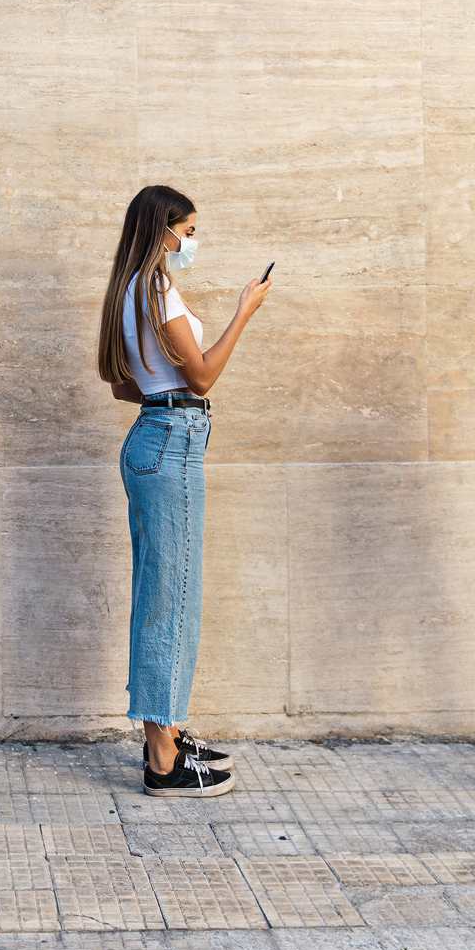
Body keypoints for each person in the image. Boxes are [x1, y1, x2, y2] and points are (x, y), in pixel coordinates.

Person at [95, 185, 269, 797]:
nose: (192, 242)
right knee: (173, 599)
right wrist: (244, 311)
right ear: (163, 230)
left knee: (163, 592)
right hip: (172, 437)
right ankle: (162, 758)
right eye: (188, 231)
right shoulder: (157, 289)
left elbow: (122, 383)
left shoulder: (129, 292)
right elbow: (201, 373)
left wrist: (161, 388)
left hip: (156, 433)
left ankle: (164, 727)